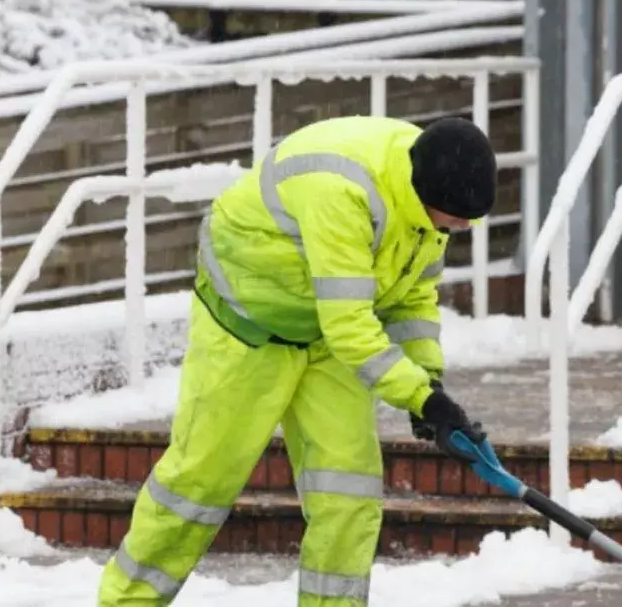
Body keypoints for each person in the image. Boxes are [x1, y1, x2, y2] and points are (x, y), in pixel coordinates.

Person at [97, 115, 496, 606]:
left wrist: (428, 385)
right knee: (197, 486)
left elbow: (412, 299)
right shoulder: (342, 191)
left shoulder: (433, 192)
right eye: (455, 219)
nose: (462, 228)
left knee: (348, 492)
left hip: (327, 335)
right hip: (249, 326)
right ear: (424, 193)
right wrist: (420, 398)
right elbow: (350, 326)